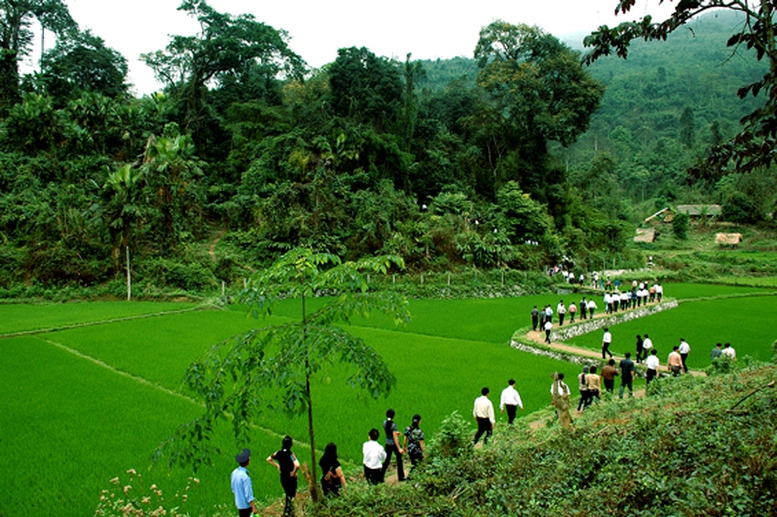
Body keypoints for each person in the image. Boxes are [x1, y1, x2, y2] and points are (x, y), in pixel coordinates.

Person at [267, 436, 300, 517]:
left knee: (287, 493)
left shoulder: (278, 453)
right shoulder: (291, 454)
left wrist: (277, 465)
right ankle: (289, 512)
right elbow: (297, 465)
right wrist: (294, 472)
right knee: (291, 495)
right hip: (291, 478)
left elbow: (268, 459)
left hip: (283, 477)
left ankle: (288, 511)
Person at [231, 448, 259, 516]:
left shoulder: (234, 472)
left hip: (239, 504)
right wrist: (253, 507)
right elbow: (248, 494)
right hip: (246, 506)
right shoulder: (245, 477)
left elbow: (233, 489)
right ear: (248, 461)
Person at [381, 408, 405, 482]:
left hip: (387, 444)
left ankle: (380, 477)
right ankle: (401, 476)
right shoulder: (393, 425)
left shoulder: (384, 423)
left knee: (387, 460)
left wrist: (395, 433)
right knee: (399, 459)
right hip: (393, 444)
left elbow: (389, 432)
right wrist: (399, 448)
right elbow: (395, 438)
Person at [403, 414, 425, 479]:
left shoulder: (408, 429)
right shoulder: (420, 432)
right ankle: (410, 478)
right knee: (418, 465)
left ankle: (414, 478)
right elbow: (422, 443)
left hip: (410, 450)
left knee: (414, 464)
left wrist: (404, 447)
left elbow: (405, 440)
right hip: (417, 451)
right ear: (419, 422)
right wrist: (425, 453)